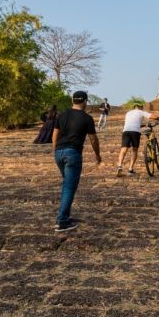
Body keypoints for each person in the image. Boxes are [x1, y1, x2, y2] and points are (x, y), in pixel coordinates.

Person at [52, 90, 102, 232]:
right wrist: (97, 155)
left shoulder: (62, 115)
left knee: (66, 184)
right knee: (69, 186)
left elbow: (54, 135)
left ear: (73, 101)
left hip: (59, 153)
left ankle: (65, 216)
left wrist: (56, 150)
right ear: (85, 101)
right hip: (73, 153)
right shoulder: (87, 118)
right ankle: (62, 221)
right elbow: (93, 139)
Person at [116, 103, 159, 176]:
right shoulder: (140, 112)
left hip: (126, 131)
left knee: (123, 150)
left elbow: (134, 123)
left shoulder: (128, 113)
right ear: (140, 107)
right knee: (134, 150)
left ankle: (119, 166)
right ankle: (130, 170)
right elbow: (153, 117)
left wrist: (144, 125)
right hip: (135, 132)